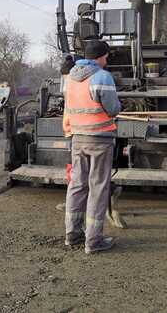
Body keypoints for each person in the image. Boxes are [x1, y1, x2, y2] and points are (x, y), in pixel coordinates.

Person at [62, 40, 121, 254]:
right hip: (100, 139)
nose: (106, 61)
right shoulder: (102, 76)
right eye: (105, 57)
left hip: (78, 138)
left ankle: (72, 235)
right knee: (98, 187)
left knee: (77, 184)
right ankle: (93, 241)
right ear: (99, 57)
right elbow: (113, 108)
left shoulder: (70, 79)